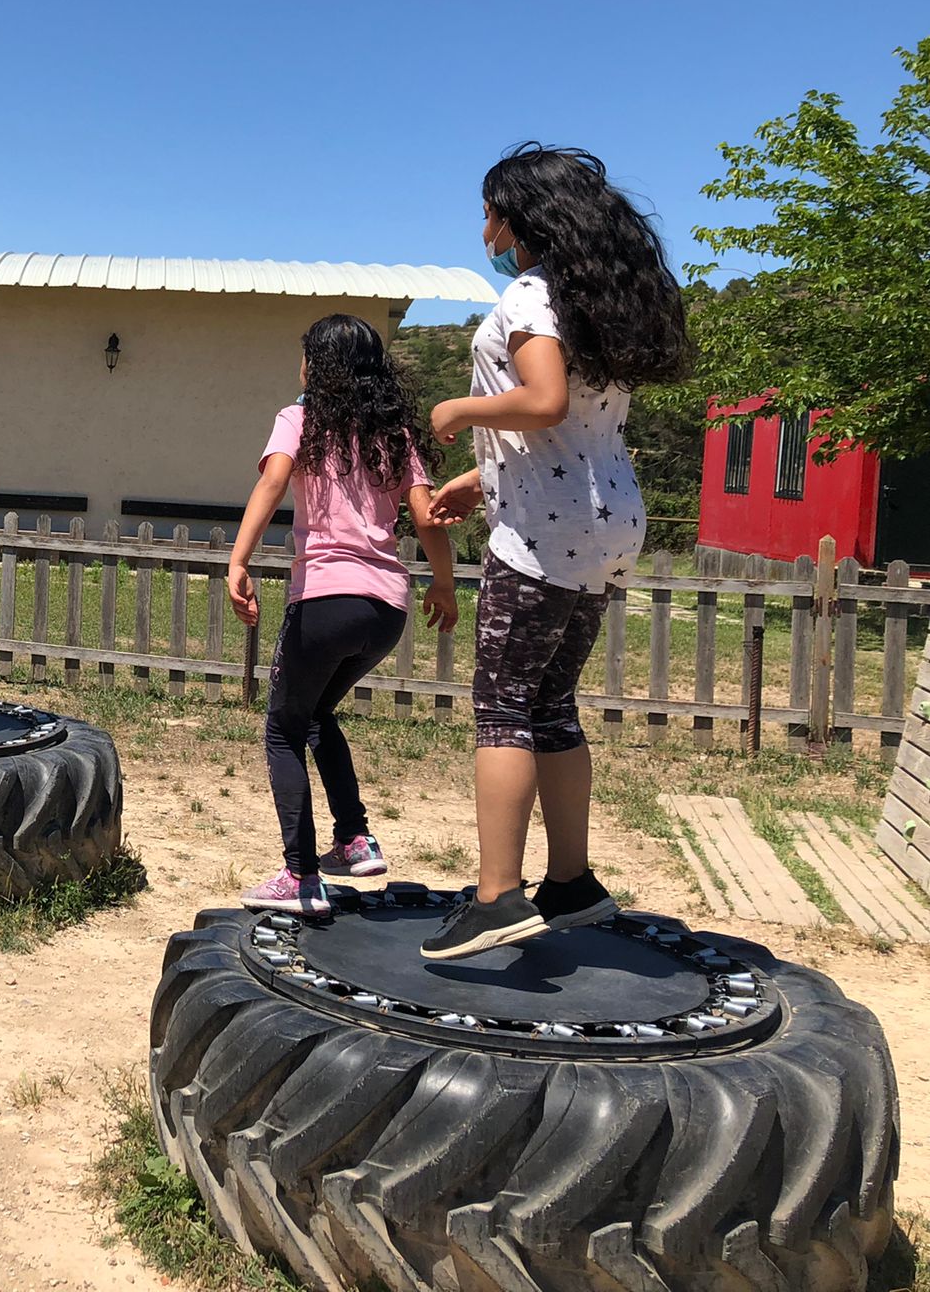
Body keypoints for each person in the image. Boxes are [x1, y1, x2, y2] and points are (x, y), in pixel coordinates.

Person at [420, 144, 691, 961]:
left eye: (491, 212)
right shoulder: (599, 303)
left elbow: (543, 400)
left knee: (502, 706)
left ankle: (498, 897)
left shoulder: (532, 295)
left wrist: (456, 410)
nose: (485, 228)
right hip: (606, 523)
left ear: (525, 218)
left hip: (544, 534)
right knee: (551, 706)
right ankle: (570, 883)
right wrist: (480, 476)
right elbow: (574, 426)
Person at [226, 316, 460, 916]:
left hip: (326, 601)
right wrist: (442, 583)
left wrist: (238, 559)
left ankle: (300, 877)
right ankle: (354, 839)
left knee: (283, 728)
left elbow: (272, 483)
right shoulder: (393, 434)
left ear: (318, 366)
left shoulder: (299, 420)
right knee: (316, 714)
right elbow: (428, 517)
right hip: (385, 610)